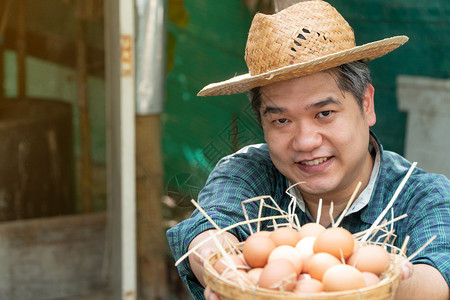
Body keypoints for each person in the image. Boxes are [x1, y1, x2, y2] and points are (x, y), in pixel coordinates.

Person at [166, 1, 450, 299]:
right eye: (282, 120)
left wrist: (379, 283)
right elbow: (209, 228)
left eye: (324, 113)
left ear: (366, 104)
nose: (305, 141)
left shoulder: (422, 196)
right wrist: (218, 262)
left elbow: (438, 277)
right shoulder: (249, 173)